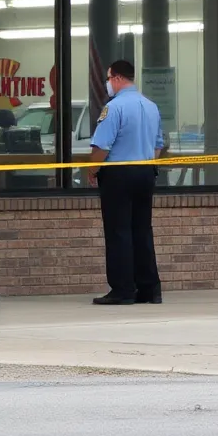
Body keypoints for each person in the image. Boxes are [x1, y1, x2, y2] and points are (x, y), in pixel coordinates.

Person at [88, 60, 166, 306]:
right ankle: (149, 289)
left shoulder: (114, 108)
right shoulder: (151, 106)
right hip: (145, 172)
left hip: (118, 175)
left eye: (109, 78)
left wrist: (92, 169)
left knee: (118, 231)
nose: (108, 84)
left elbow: (101, 146)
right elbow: (158, 144)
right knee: (142, 230)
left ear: (118, 78)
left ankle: (122, 289)